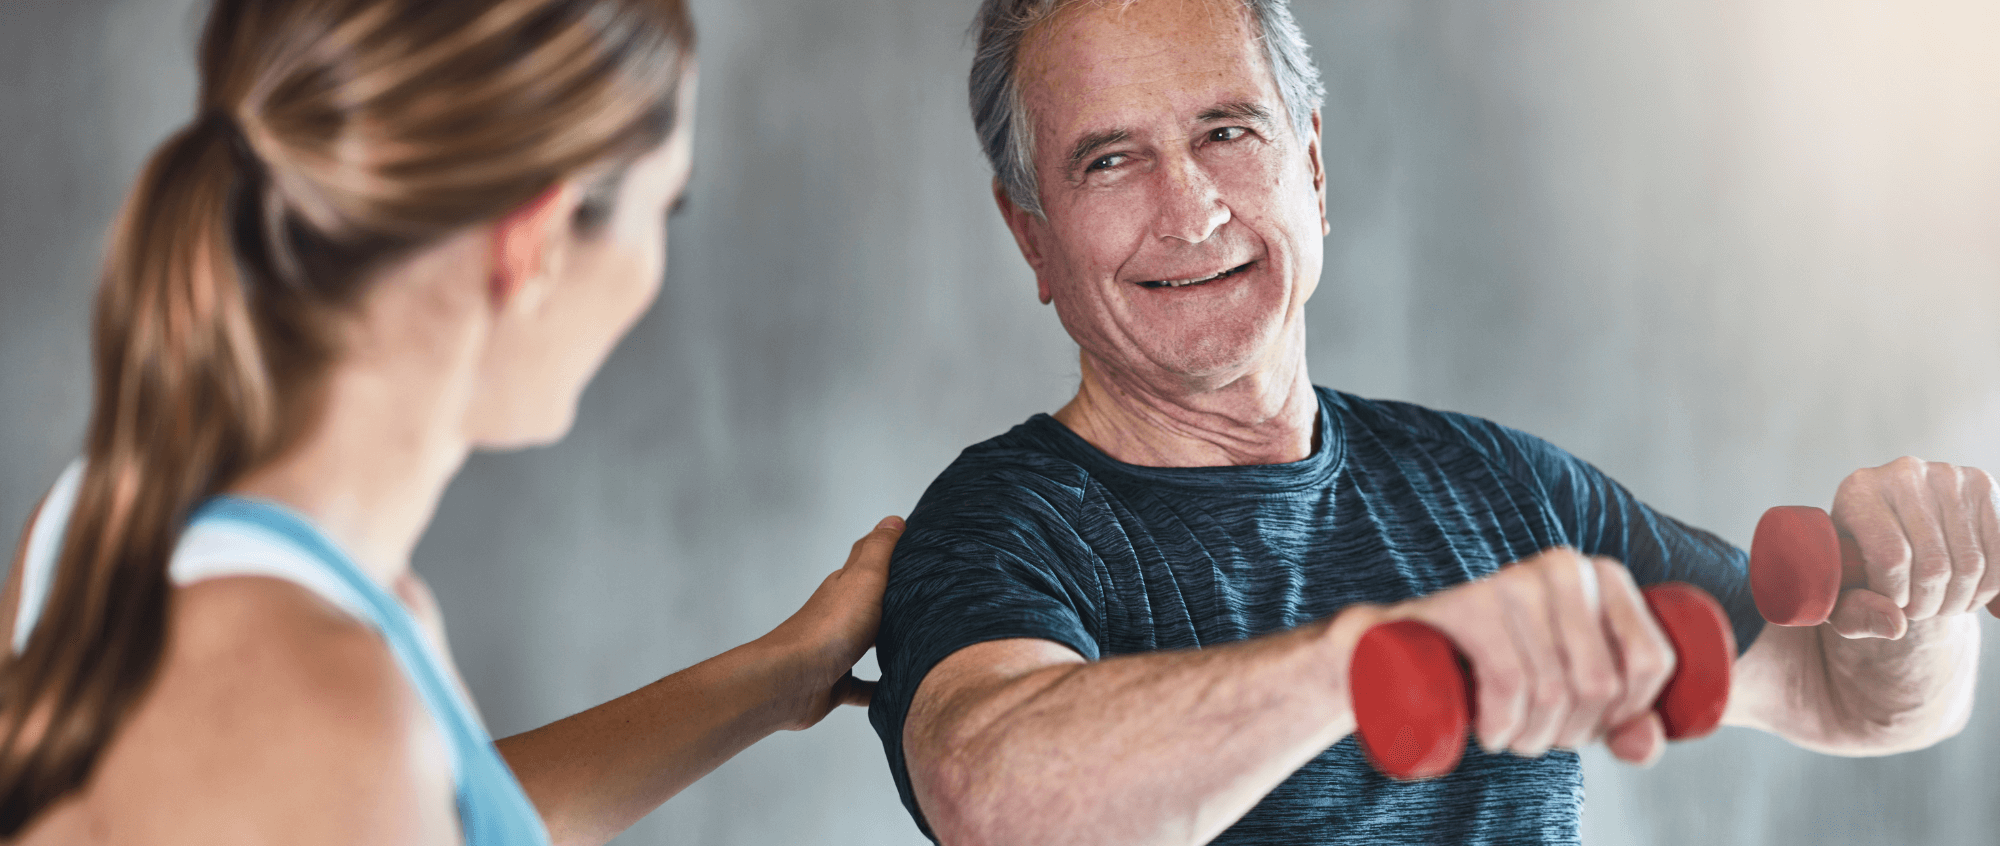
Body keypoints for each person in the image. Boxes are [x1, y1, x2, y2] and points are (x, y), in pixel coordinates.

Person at [867, 0, 1999, 843]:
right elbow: (992, 790)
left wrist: (1909, 600)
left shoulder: (1497, 490)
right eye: (1110, 160)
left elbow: (1852, 701)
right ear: (1030, 238)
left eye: (1226, 132)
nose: (1191, 209)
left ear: (1309, 167)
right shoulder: (999, 526)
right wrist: (1371, 659)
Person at [0, 1, 901, 844]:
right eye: (664, 206)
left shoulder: (99, 528)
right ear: (536, 242)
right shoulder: (339, 718)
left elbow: (446, 810)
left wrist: (783, 673)